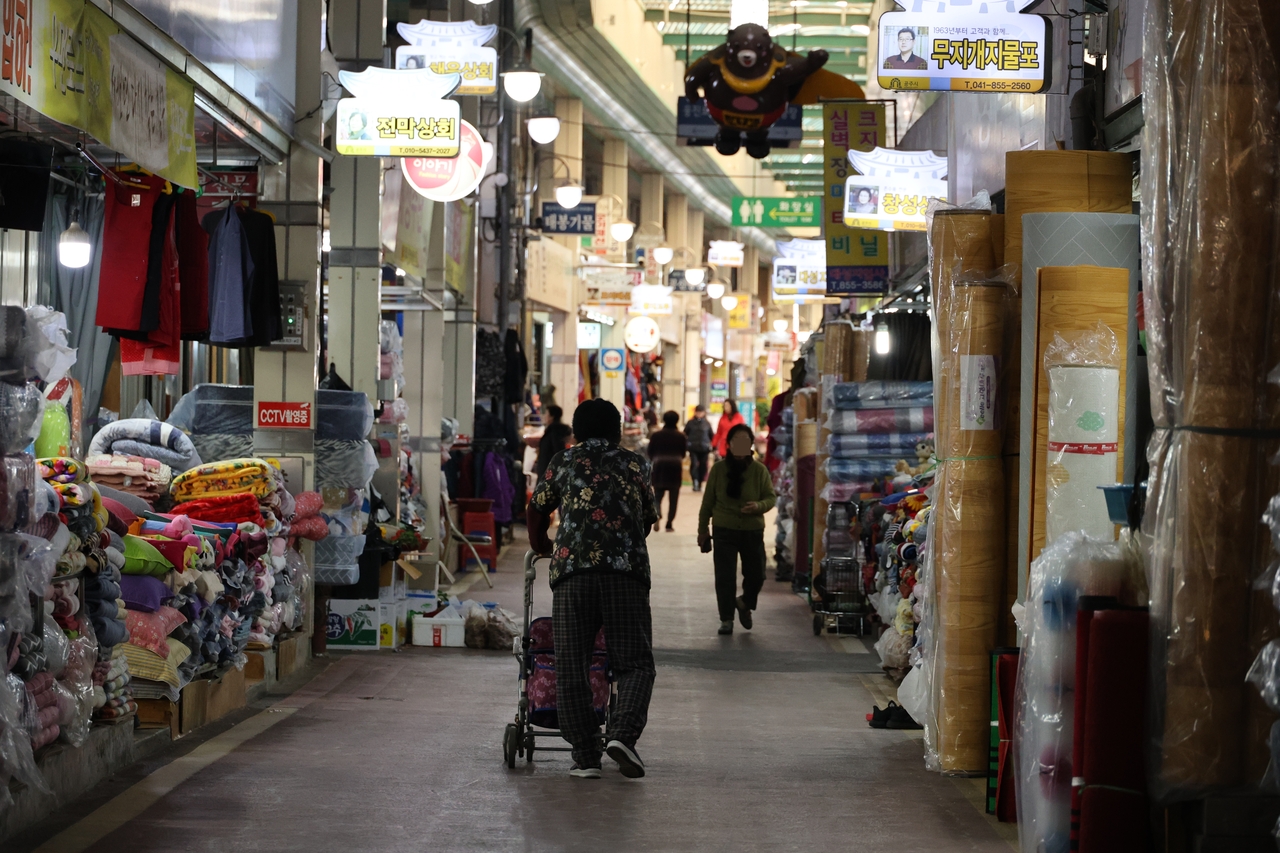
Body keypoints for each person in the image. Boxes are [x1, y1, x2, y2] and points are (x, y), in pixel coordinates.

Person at [527, 398, 658, 780]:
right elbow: (646, 520)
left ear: (577, 430)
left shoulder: (564, 461)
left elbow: (537, 510)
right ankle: (622, 737)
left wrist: (543, 547)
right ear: (617, 429)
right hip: (625, 574)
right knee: (634, 663)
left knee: (572, 665)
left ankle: (585, 756)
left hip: (573, 574)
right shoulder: (635, 464)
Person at [698, 424, 777, 635]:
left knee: (757, 574)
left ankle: (744, 603)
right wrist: (702, 529)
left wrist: (758, 507)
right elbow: (707, 503)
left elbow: (770, 498)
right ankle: (726, 619)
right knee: (725, 576)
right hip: (724, 528)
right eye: (737, 442)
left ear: (751, 445)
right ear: (729, 445)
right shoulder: (718, 470)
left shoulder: (759, 470)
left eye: (746, 442)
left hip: (752, 530)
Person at [647, 411, 688, 532]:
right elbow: (683, 453)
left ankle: (658, 512)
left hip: (660, 467)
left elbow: (650, 452)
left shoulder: (656, 435)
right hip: (675, 468)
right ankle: (669, 524)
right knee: (673, 499)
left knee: (658, 495)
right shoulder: (681, 436)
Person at [535, 405, 573, 480]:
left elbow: (557, 450)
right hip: (548, 470)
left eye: (546, 414)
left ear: (552, 417)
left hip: (549, 472)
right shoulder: (553, 431)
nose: (545, 416)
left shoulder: (554, 432)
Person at [685, 405, 713, 492]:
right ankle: (695, 481)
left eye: (701, 412)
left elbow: (711, 435)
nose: (699, 414)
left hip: (704, 448)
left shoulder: (707, 424)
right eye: (698, 412)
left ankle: (700, 481)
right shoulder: (690, 423)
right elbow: (686, 433)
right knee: (694, 465)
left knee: (703, 466)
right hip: (693, 447)